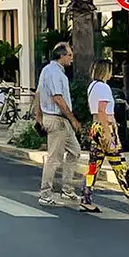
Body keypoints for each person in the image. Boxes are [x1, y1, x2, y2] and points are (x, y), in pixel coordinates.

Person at [79, 60, 129, 216]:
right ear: (105, 71)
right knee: (120, 166)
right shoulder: (104, 88)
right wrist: (108, 132)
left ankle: (85, 198)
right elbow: (102, 110)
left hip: (95, 127)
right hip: (105, 128)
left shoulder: (92, 86)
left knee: (93, 166)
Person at [35, 42, 83, 207]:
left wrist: (38, 116)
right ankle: (45, 194)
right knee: (54, 158)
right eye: (70, 55)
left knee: (75, 151)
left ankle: (67, 189)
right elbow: (58, 98)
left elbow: (38, 93)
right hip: (57, 119)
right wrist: (73, 119)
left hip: (58, 119)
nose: (72, 58)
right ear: (62, 56)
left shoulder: (46, 70)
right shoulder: (55, 73)